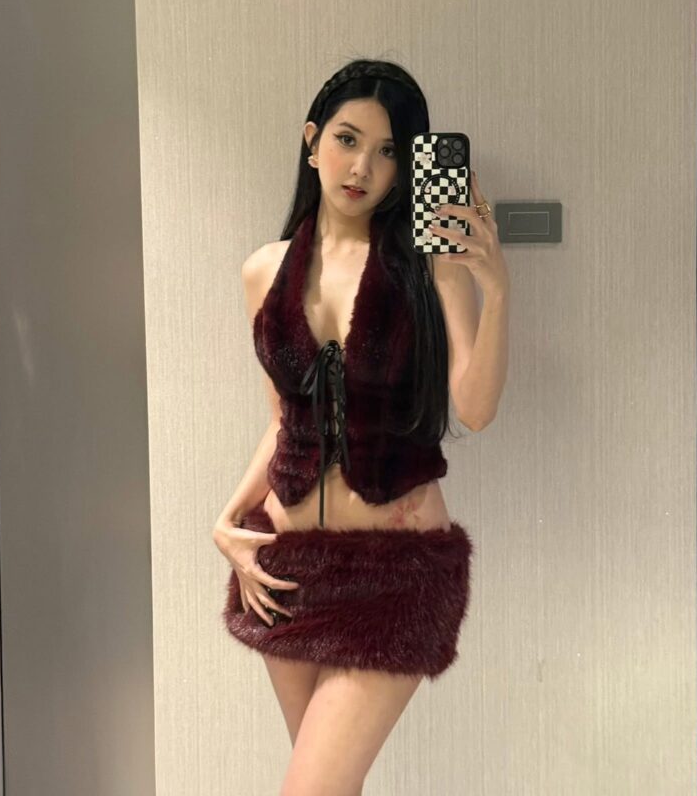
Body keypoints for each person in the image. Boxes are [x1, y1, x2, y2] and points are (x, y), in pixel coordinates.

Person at [213, 58, 510, 795]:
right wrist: (227, 521)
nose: (362, 168)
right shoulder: (264, 271)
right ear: (312, 140)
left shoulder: (429, 269)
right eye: (347, 139)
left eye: (387, 152)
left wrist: (496, 288)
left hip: (395, 575)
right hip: (286, 571)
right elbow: (284, 422)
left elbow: (475, 408)